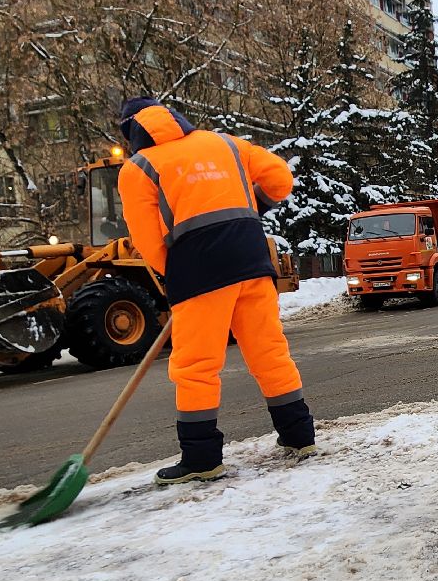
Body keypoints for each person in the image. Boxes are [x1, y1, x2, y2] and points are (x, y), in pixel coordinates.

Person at [116, 97, 316, 484]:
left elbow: (147, 237)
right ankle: (299, 436)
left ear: (131, 131)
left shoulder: (138, 168)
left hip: (198, 273)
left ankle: (202, 458)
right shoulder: (225, 143)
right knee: (269, 351)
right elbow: (280, 178)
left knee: (196, 367)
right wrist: (250, 209)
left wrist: (174, 271)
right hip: (252, 260)